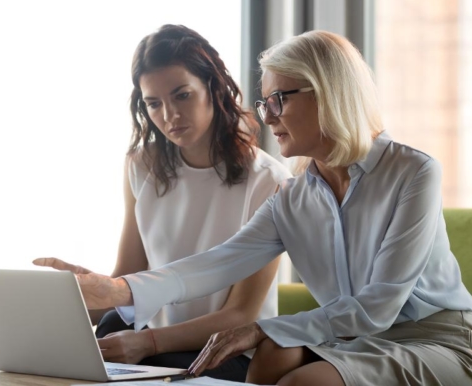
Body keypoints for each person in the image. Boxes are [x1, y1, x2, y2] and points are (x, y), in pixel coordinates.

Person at [35, 30, 472, 386]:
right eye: (265, 103)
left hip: (433, 338)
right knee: (271, 359)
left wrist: (263, 327)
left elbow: (379, 306)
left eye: (279, 99)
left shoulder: (413, 171)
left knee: (300, 377)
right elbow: (215, 263)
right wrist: (120, 292)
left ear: (328, 92)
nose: (267, 117)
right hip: (347, 337)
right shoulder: (295, 197)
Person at [34, 24, 292, 382]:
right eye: (153, 103)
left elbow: (242, 314)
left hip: (222, 354)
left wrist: (149, 343)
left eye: (182, 95)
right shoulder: (142, 165)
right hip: (150, 346)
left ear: (213, 88)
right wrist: (73, 299)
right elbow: (128, 279)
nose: (169, 115)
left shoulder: (270, 181)